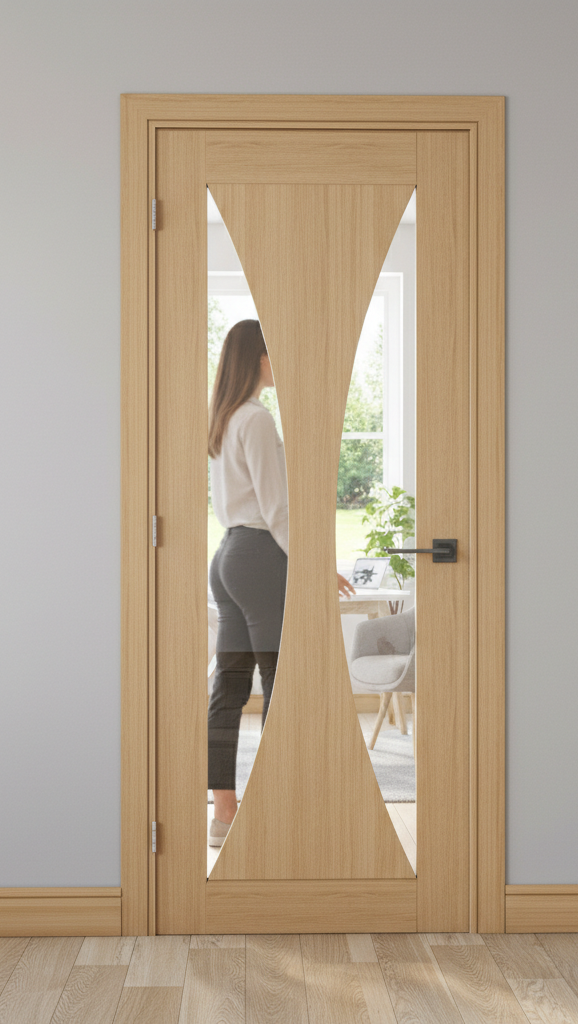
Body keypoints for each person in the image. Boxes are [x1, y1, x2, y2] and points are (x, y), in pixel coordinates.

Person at [207, 319, 354, 847]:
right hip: (260, 556)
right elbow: (277, 510)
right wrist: (318, 565)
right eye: (276, 353)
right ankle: (272, 806)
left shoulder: (223, 418)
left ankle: (224, 814)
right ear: (259, 359)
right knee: (280, 683)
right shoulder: (258, 420)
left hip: (226, 556)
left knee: (228, 686)